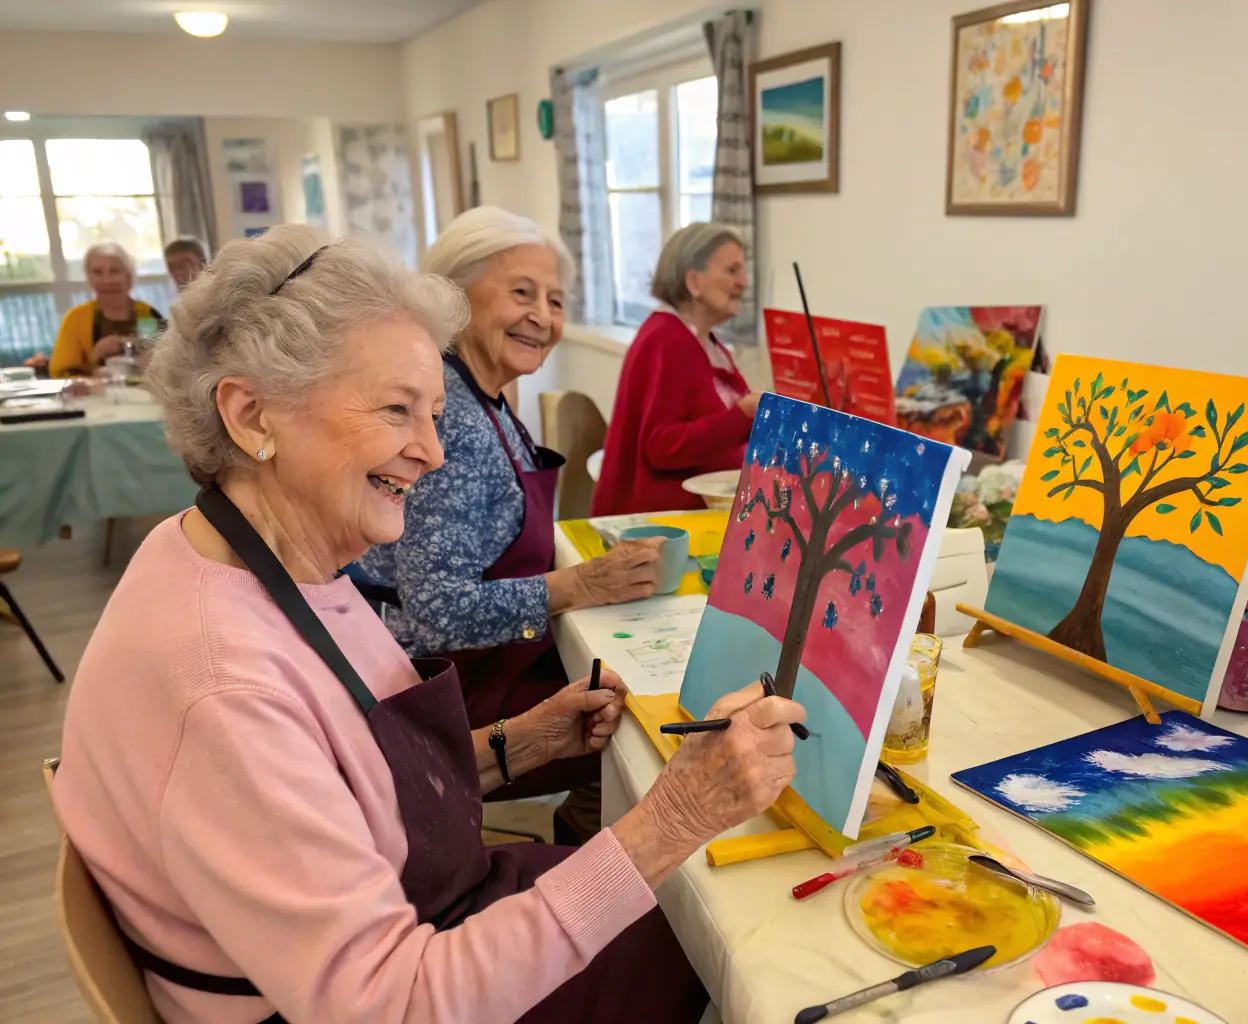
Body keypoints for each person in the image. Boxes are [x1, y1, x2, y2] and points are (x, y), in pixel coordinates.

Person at [52, 224, 806, 1024]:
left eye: (436, 414)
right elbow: (394, 1004)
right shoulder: (222, 683)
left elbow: (351, 786)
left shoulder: (242, 558)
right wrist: (675, 818)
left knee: (694, 911)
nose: (433, 453)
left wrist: (522, 741)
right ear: (250, 416)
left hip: (406, 907)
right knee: (717, 931)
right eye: (395, 410)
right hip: (388, 989)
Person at [359, 207, 661, 841]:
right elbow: (437, 609)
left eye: (555, 300)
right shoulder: (451, 416)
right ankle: (581, 868)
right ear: (452, 297)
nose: (544, 316)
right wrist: (579, 586)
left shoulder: (482, 393)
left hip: (487, 661)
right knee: (641, 726)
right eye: (521, 292)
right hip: (442, 692)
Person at [592, 223, 759, 516]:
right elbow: (662, 446)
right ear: (693, 281)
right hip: (662, 529)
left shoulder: (706, 342)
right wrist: (743, 416)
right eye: (732, 271)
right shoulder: (668, 339)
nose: (743, 282)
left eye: (743, 270)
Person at [48, 242, 163, 378]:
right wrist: (95, 360)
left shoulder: (148, 314)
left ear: (129, 276)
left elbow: (170, 365)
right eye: (98, 272)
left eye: (114, 271)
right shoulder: (76, 318)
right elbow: (60, 373)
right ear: (89, 278)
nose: (107, 280)